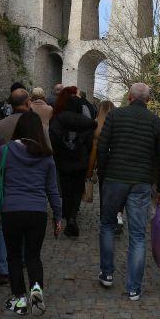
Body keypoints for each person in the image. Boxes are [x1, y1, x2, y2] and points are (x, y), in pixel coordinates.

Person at [0, 112, 62, 316]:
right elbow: (53, 190)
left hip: (12, 211)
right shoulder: (47, 156)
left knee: (14, 256)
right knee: (33, 256)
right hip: (37, 212)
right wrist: (58, 217)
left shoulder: (5, 151)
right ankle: (36, 289)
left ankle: (19, 298)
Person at [97, 82, 160, 300]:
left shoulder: (115, 116)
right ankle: (134, 288)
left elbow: (102, 146)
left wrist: (103, 175)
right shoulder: (156, 122)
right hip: (141, 182)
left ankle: (107, 273)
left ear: (129, 97)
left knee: (108, 226)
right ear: (148, 100)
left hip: (114, 178)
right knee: (138, 235)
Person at [0, 88, 32, 284]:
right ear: (27, 103)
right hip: (30, 183)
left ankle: (4, 268)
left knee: (4, 227)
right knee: (27, 223)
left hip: (5, 182)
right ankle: (23, 259)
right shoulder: (36, 126)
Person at [49, 88, 97, 237]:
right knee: (77, 189)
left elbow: (53, 138)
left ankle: (65, 213)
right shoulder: (86, 122)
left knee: (65, 188)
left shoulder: (58, 119)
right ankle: (72, 217)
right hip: (80, 160)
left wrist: (60, 151)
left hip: (62, 160)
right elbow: (90, 142)